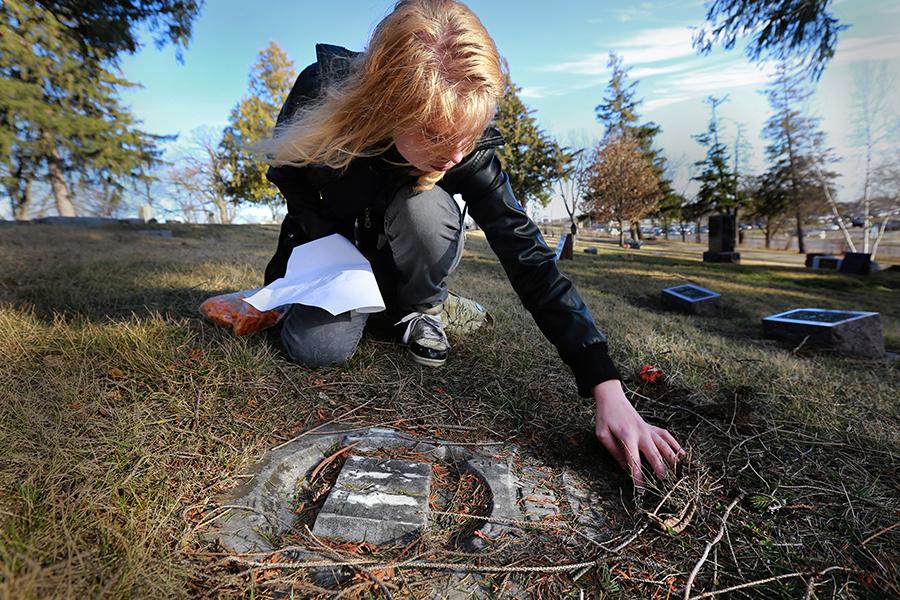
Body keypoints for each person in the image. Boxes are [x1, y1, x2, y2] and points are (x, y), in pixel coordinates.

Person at [259, 0, 683, 488]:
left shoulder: (465, 150)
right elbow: (287, 176)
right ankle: (390, 311)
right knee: (318, 349)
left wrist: (606, 387)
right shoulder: (320, 91)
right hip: (336, 258)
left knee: (426, 207)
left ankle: (422, 308)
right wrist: (307, 264)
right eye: (437, 133)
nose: (457, 153)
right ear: (386, 103)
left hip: (408, 259)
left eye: (470, 131)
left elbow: (528, 256)